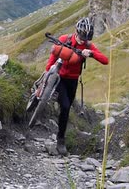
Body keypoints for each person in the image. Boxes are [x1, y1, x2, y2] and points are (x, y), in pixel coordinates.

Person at [44, 17, 109, 155]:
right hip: (59, 76)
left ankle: (60, 137)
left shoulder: (88, 46)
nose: (82, 40)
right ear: (76, 31)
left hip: (73, 80)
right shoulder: (65, 39)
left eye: (85, 38)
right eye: (80, 37)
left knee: (66, 109)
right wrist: (48, 70)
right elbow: (54, 55)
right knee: (66, 106)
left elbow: (105, 60)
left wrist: (91, 53)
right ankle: (60, 140)